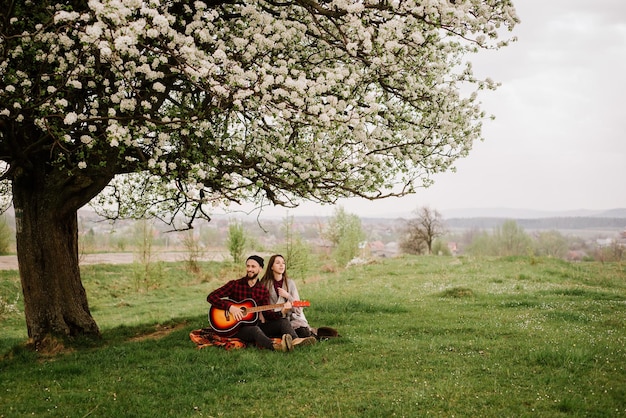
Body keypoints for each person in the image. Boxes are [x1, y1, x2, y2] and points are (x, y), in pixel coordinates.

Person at [206, 255, 294, 352]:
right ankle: (277, 347)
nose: (249, 269)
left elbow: (268, 315)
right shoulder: (235, 284)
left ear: (260, 269)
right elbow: (211, 297)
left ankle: (297, 342)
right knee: (254, 330)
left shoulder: (262, 290)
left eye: (253, 266)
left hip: (255, 325)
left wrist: (282, 312)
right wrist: (230, 307)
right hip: (236, 328)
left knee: (283, 321)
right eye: (248, 266)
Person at [260, 254, 317, 344]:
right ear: (271, 267)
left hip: (291, 320)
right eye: (278, 263)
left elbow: (298, 310)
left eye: (283, 263)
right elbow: (264, 311)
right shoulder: (265, 285)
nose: (281, 265)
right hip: (273, 320)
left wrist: (288, 296)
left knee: (304, 331)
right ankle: (295, 341)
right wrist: (281, 312)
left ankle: (290, 338)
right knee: (283, 323)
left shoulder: (290, 283)